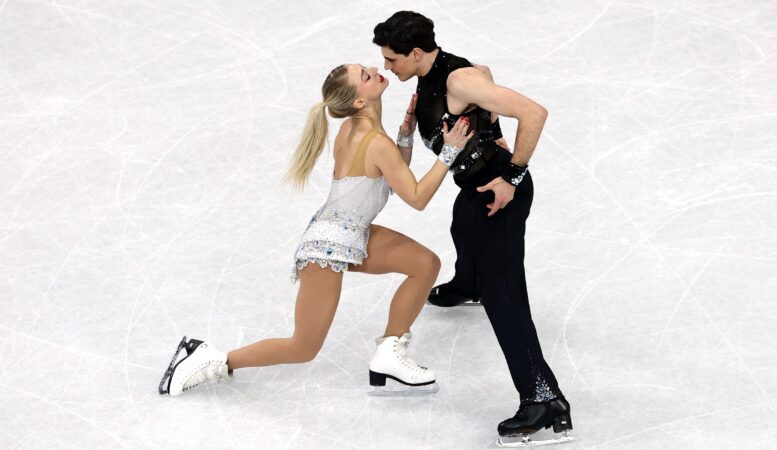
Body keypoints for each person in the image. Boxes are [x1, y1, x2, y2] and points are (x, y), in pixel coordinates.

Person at [158, 63, 473, 397]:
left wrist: (405, 136)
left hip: (352, 234)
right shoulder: (374, 142)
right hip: (327, 246)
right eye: (365, 77)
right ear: (358, 103)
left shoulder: (354, 130)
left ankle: (389, 353)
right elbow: (417, 197)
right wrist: (448, 152)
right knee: (303, 346)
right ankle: (209, 359)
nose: (373, 69)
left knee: (424, 264)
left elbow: (391, 174)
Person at [372, 11, 575, 446]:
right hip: (474, 188)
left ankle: (544, 399)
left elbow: (535, 112)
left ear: (416, 53)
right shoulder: (441, 73)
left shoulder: (458, 81)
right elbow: (486, 76)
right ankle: (469, 283)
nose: (388, 68)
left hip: (499, 194)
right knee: (461, 226)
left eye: (392, 60)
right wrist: (486, 127)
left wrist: (512, 175)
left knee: (507, 300)